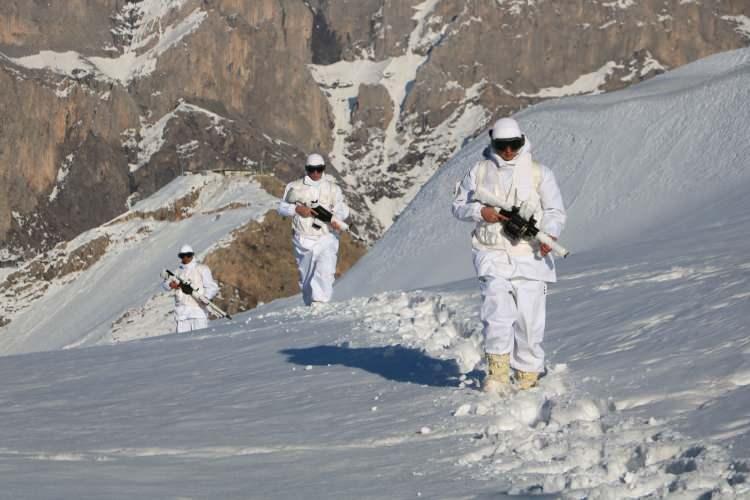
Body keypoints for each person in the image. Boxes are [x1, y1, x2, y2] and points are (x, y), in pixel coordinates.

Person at [452, 118, 566, 393]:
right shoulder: (478, 171)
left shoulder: (540, 173)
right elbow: (458, 205)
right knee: (497, 313)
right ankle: (498, 372)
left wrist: (550, 234)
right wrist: (481, 213)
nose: (508, 152)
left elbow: (555, 211)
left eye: (514, 145)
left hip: (531, 255)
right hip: (491, 252)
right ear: (493, 142)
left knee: (529, 319)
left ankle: (527, 375)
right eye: (503, 146)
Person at [278, 153, 350, 306]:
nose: (316, 173)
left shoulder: (333, 189)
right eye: (312, 169)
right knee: (307, 278)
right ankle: (311, 304)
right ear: (306, 169)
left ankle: (320, 304)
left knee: (325, 271)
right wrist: (297, 210)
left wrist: (336, 219)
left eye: (319, 169)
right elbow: (282, 207)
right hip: (303, 239)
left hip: (327, 236)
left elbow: (341, 208)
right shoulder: (294, 187)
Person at [162, 244, 219, 333]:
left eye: (188, 255)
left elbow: (212, 287)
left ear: (192, 255)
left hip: (198, 312)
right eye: (182, 256)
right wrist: (170, 285)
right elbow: (165, 284)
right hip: (181, 314)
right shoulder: (178, 271)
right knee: (183, 344)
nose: (185, 258)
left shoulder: (202, 269)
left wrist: (206, 297)